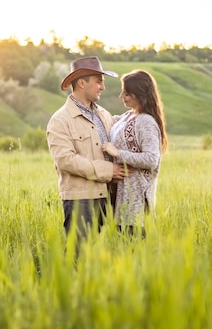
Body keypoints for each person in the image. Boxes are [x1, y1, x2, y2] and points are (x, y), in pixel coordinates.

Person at [46, 56, 128, 244]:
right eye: (99, 82)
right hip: (80, 200)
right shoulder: (60, 120)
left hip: (109, 196)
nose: (103, 87)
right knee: (78, 258)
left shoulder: (104, 115)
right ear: (82, 83)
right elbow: (65, 160)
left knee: (101, 259)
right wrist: (109, 171)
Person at [102, 69, 168, 236]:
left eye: (126, 93)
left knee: (133, 247)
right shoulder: (128, 116)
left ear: (140, 94)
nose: (121, 96)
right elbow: (107, 120)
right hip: (123, 196)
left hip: (136, 200)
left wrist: (117, 153)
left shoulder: (146, 121)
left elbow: (152, 159)